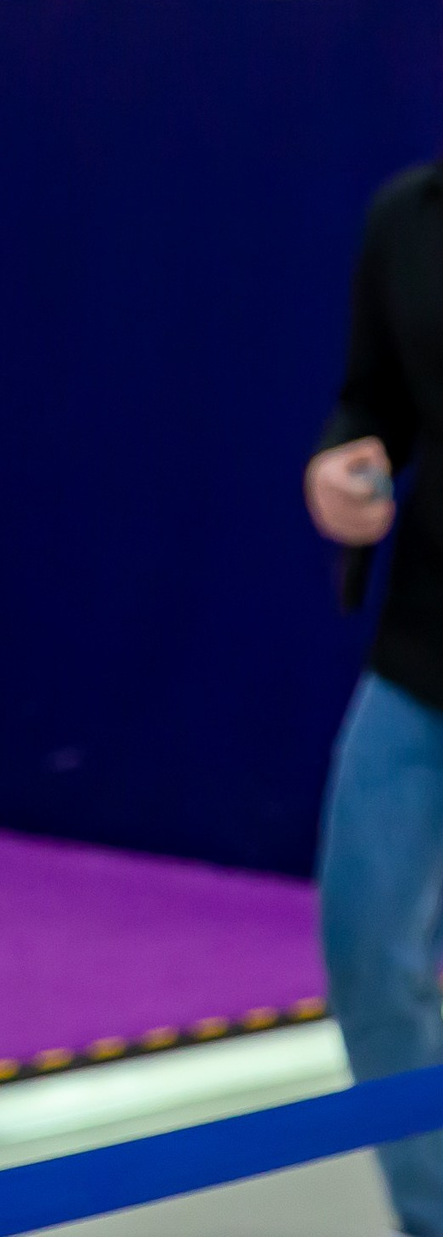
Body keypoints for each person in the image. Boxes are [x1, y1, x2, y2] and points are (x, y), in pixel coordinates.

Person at [306, 159, 443, 1237]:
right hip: (422, 651)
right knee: (367, 951)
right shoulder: (405, 214)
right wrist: (343, 467)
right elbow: (374, 397)